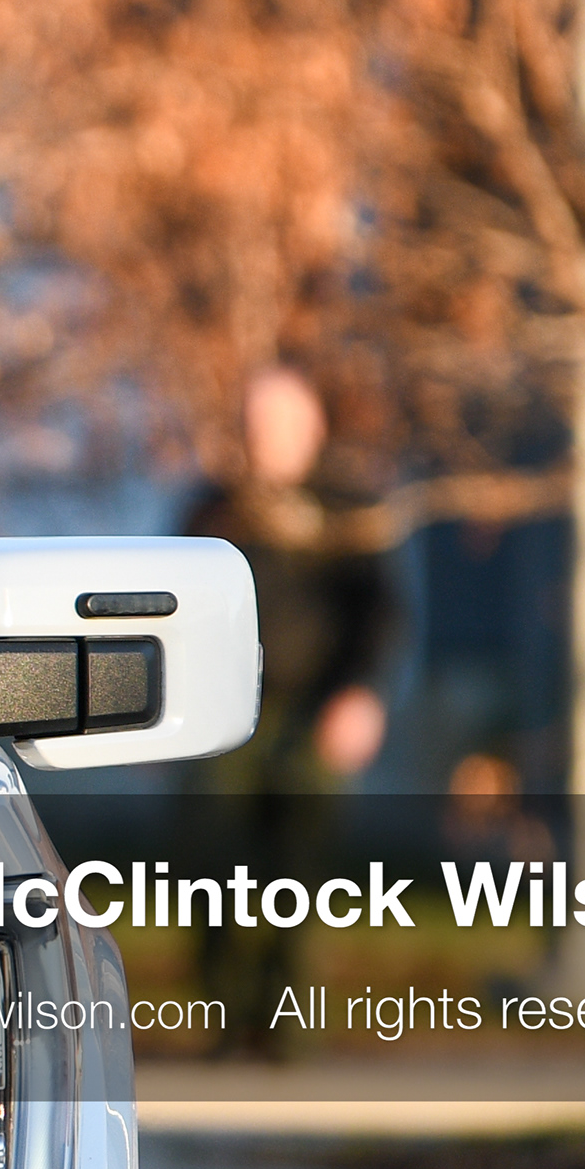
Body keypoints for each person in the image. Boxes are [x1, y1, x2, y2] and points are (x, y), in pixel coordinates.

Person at [183, 365, 405, 1056]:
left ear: (311, 429)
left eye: (276, 425)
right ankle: (225, 1023)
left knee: (294, 875)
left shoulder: (348, 511)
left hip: (312, 713)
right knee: (214, 874)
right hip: (223, 719)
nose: (262, 441)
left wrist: (361, 694)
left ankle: (282, 1032)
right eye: (252, 427)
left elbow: (380, 613)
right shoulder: (213, 509)